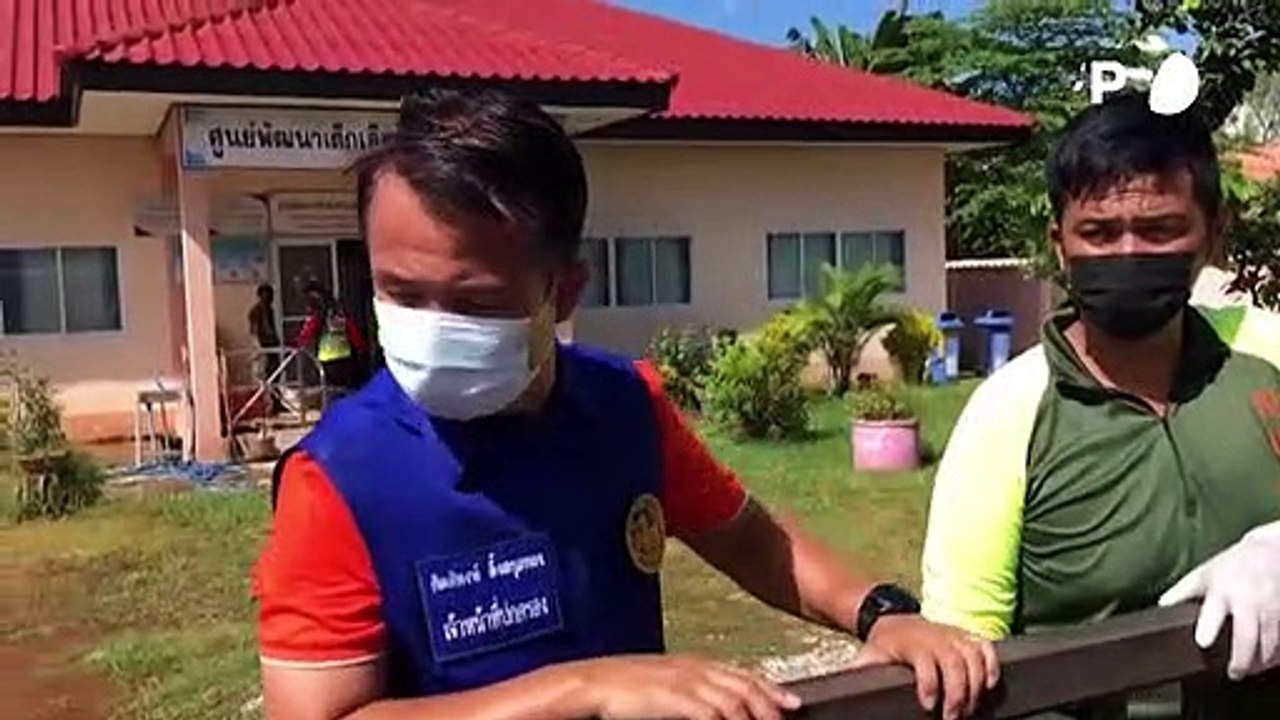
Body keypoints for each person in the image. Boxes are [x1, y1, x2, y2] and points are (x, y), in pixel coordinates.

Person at [252, 89, 1000, 720]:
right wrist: (584, 688)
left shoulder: (623, 407)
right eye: (401, 294)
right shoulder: (341, 477)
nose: (432, 326)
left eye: (474, 302)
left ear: (563, 292)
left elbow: (755, 542)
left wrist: (883, 612)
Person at [919, 93, 1280, 717]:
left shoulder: (1265, 349)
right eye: (1099, 232)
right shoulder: (1008, 413)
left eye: (1161, 229)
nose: (1128, 252)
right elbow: (959, 650)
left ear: (1214, 231)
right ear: (1058, 242)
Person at [293, 282, 368, 393]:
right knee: (346, 391)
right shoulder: (339, 313)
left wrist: (297, 344)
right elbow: (352, 331)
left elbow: (308, 333)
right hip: (345, 357)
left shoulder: (319, 314)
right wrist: (361, 347)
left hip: (328, 359)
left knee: (332, 392)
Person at [248, 283, 283, 389]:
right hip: (263, 344)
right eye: (266, 295)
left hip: (271, 343)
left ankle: (274, 396)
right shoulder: (257, 311)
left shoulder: (269, 310)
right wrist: (257, 345)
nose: (269, 298)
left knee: (275, 371)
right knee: (265, 371)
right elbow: (254, 330)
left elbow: (271, 328)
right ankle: (268, 395)